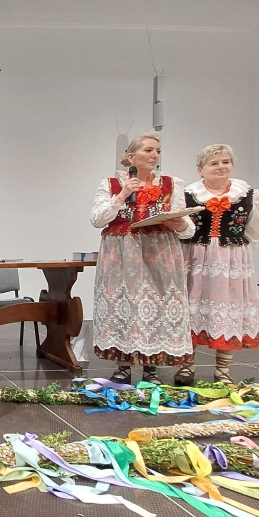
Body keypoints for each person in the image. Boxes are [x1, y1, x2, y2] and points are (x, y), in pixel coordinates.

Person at [90, 132, 195, 385]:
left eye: (157, 151)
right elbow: (97, 219)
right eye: (148, 150)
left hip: (159, 253)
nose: (154, 155)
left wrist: (180, 223)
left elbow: (188, 229)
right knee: (124, 305)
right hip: (122, 253)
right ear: (130, 157)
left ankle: (152, 369)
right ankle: (123, 366)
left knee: (156, 307)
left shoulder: (172, 183)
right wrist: (122, 195)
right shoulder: (110, 184)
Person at [177, 144, 259, 385]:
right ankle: (186, 367)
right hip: (195, 256)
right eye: (214, 163)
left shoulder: (249, 195)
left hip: (231, 258)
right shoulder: (188, 195)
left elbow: (253, 231)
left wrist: (241, 257)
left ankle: (223, 370)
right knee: (191, 307)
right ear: (200, 169)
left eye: (226, 162)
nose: (221, 167)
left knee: (229, 307)